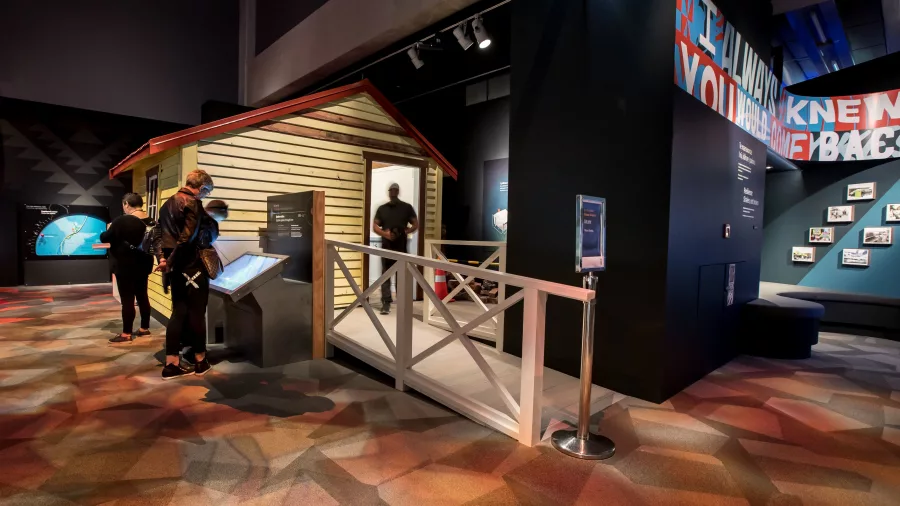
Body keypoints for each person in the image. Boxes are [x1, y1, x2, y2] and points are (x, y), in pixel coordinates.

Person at [154, 169, 215, 380]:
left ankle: (172, 364)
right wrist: (169, 261)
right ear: (202, 188)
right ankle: (200, 360)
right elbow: (187, 238)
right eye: (207, 192)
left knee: (178, 312)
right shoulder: (193, 203)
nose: (205, 196)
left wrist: (163, 260)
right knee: (197, 312)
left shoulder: (167, 203)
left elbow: (159, 236)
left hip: (174, 266)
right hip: (191, 265)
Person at [100, 193, 154, 344]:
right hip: (144, 264)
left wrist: (110, 228)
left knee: (127, 299)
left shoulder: (122, 221)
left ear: (127, 204)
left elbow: (104, 237)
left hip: (125, 265)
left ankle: (126, 333)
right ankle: (144, 328)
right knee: (143, 295)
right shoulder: (151, 221)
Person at [180, 199, 228, 366]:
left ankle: (186, 347)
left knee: (185, 310)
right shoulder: (208, 222)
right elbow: (203, 242)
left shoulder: (190, 219)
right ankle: (198, 354)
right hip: (198, 270)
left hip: (183, 269)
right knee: (198, 312)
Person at [373, 182, 418, 315]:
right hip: (386, 247)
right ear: (389, 192)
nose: (393, 192)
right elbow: (375, 226)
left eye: (394, 190)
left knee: (402, 276)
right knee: (386, 275)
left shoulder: (406, 208)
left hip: (401, 247)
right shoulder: (382, 209)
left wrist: (406, 231)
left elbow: (416, 224)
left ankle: (402, 303)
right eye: (391, 190)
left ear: (397, 191)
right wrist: (385, 234)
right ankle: (386, 303)